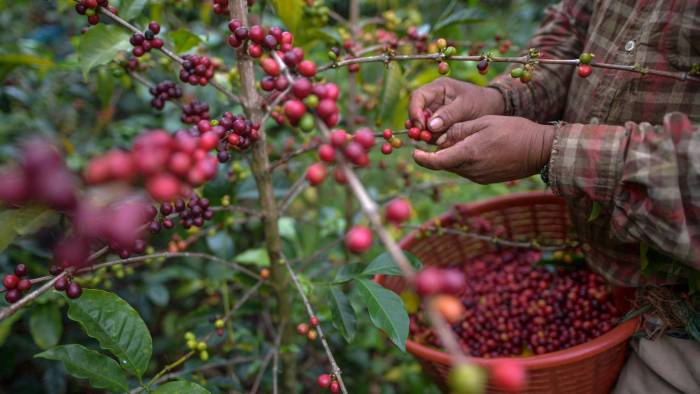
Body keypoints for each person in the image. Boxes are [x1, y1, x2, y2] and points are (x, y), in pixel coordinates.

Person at [408, 1, 700, 393]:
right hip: (597, 264)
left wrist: (547, 148)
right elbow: (571, 29)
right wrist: (504, 98)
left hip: (684, 326)